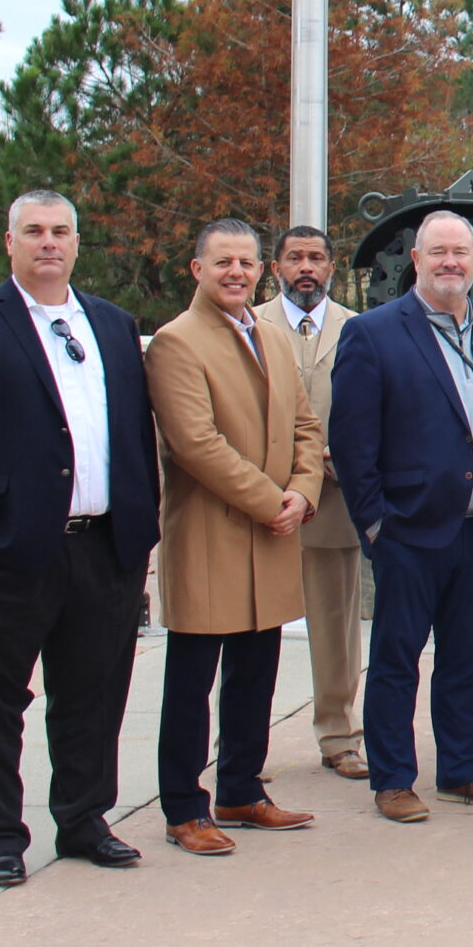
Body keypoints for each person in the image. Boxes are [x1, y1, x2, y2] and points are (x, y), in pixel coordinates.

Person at [0, 189, 160, 887]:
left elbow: (133, 439)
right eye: (34, 231)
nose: (48, 242)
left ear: (77, 243)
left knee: (93, 696)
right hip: (3, 553)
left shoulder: (111, 325)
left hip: (104, 548)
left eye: (60, 231)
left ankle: (83, 819)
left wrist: (139, 532)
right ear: (9, 242)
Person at [328, 210, 473, 822]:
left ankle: (461, 770)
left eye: (461, 254)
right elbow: (352, 442)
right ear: (415, 259)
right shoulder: (373, 332)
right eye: (437, 252)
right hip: (410, 530)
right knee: (397, 659)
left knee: (468, 656)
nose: (450, 263)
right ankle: (393, 779)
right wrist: (375, 524)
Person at [145, 218, 324, 855]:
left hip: (272, 533)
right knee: (192, 683)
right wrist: (269, 500)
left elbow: (307, 426)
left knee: (256, 672)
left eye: (247, 263)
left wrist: (303, 492)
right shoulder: (175, 343)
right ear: (197, 269)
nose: (236, 273)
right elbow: (195, 444)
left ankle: (242, 790)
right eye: (223, 262)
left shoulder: (272, 337)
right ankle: (184, 808)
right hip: (213, 536)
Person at [262, 226, 367, 780]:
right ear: (275, 266)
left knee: (336, 627)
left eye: (317, 258)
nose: (306, 267)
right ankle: (243, 744)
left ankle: (339, 736)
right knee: (248, 630)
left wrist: (341, 457)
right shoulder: (251, 323)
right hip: (262, 499)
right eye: (295, 257)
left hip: (333, 496)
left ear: (332, 267)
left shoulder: (357, 328)